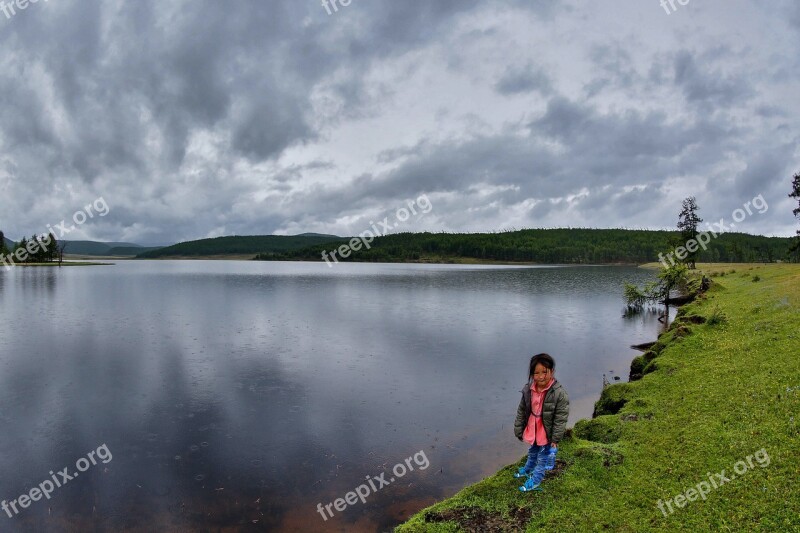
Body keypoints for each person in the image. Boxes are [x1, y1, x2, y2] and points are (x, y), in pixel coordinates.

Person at [513, 353, 570, 492]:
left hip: (547, 431)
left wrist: (555, 438)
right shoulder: (528, 390)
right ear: (532, 374)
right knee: (533, 450)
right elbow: (522, 410)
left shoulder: (559, 393)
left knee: (544, 456)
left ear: (552, 371)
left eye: (545, 372)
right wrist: (519, 428)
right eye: (536, 373)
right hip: (533, 428)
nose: (541, 376)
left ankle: (536, 479)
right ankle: (529, 468)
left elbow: (561, 417)